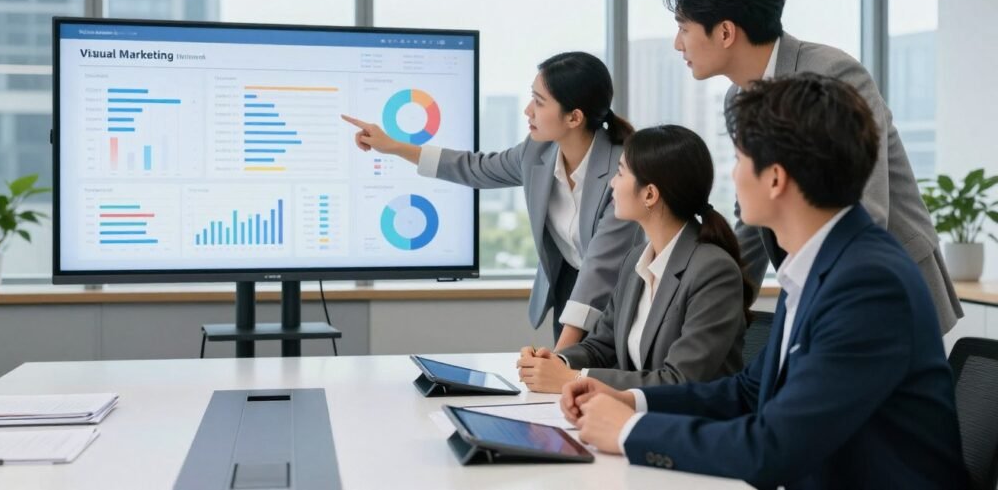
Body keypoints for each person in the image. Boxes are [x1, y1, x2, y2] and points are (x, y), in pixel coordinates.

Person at [560, 74, 968, 489]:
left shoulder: (868, 283)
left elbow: (772, 450)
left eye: (739, 160)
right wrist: (629, 400)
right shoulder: (821, 263)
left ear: (775, 178)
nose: (733, 178)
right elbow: (749, 392)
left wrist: (629, 431)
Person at [663, 0, 962, 333]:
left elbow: (865, 208)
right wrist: (723, 306)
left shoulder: (830, 74)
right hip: (818, 290)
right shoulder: (737, 97)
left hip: (881, 287)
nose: (677, 43)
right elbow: (752, 218)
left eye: (683, 27)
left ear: (724, 32)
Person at [342, 51, 642, 347]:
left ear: (574, 117)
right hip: (569, 289)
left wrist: (561, 356)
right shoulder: (537, 152)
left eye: (539, 102)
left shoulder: (623, 171)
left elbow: (600, 271)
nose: (528, 110)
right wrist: (394, 146)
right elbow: (476, 168)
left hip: (622, 299)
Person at [516, 125, 751, 393]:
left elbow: (680, 381)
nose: (611, 183)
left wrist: (573, 380)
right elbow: (601, 345)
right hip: (640, 419)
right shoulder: (636, 260)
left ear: (649, 194)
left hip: (694, 425)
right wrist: (556, 362)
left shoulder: (712, 270)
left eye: (620, 173)